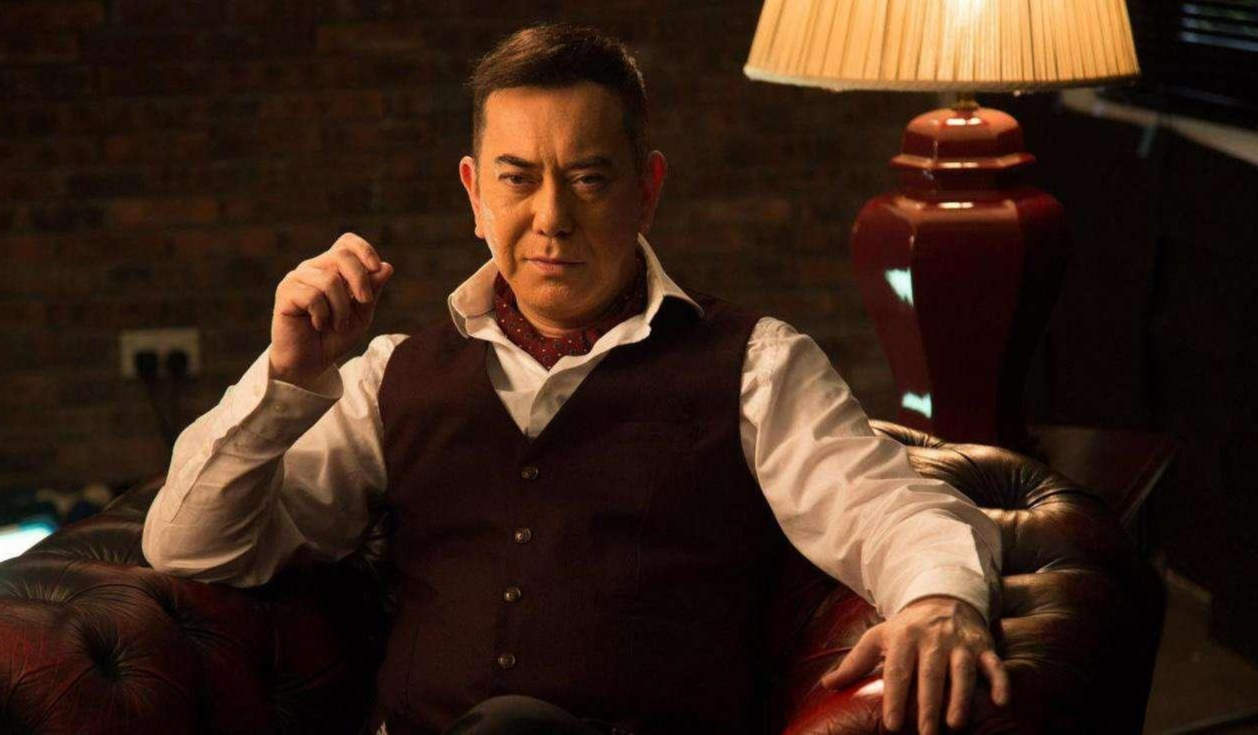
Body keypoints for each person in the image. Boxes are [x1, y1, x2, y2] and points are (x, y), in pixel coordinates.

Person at [142, 23, 1009, 735]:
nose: (550, 217)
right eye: (517, 180)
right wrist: (288, 376)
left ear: (647, 190)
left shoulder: (756, 364)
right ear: (475, 194)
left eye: (588, 179)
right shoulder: (389, 376)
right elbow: (192, 546)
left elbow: (891, 508)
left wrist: (939, 599)